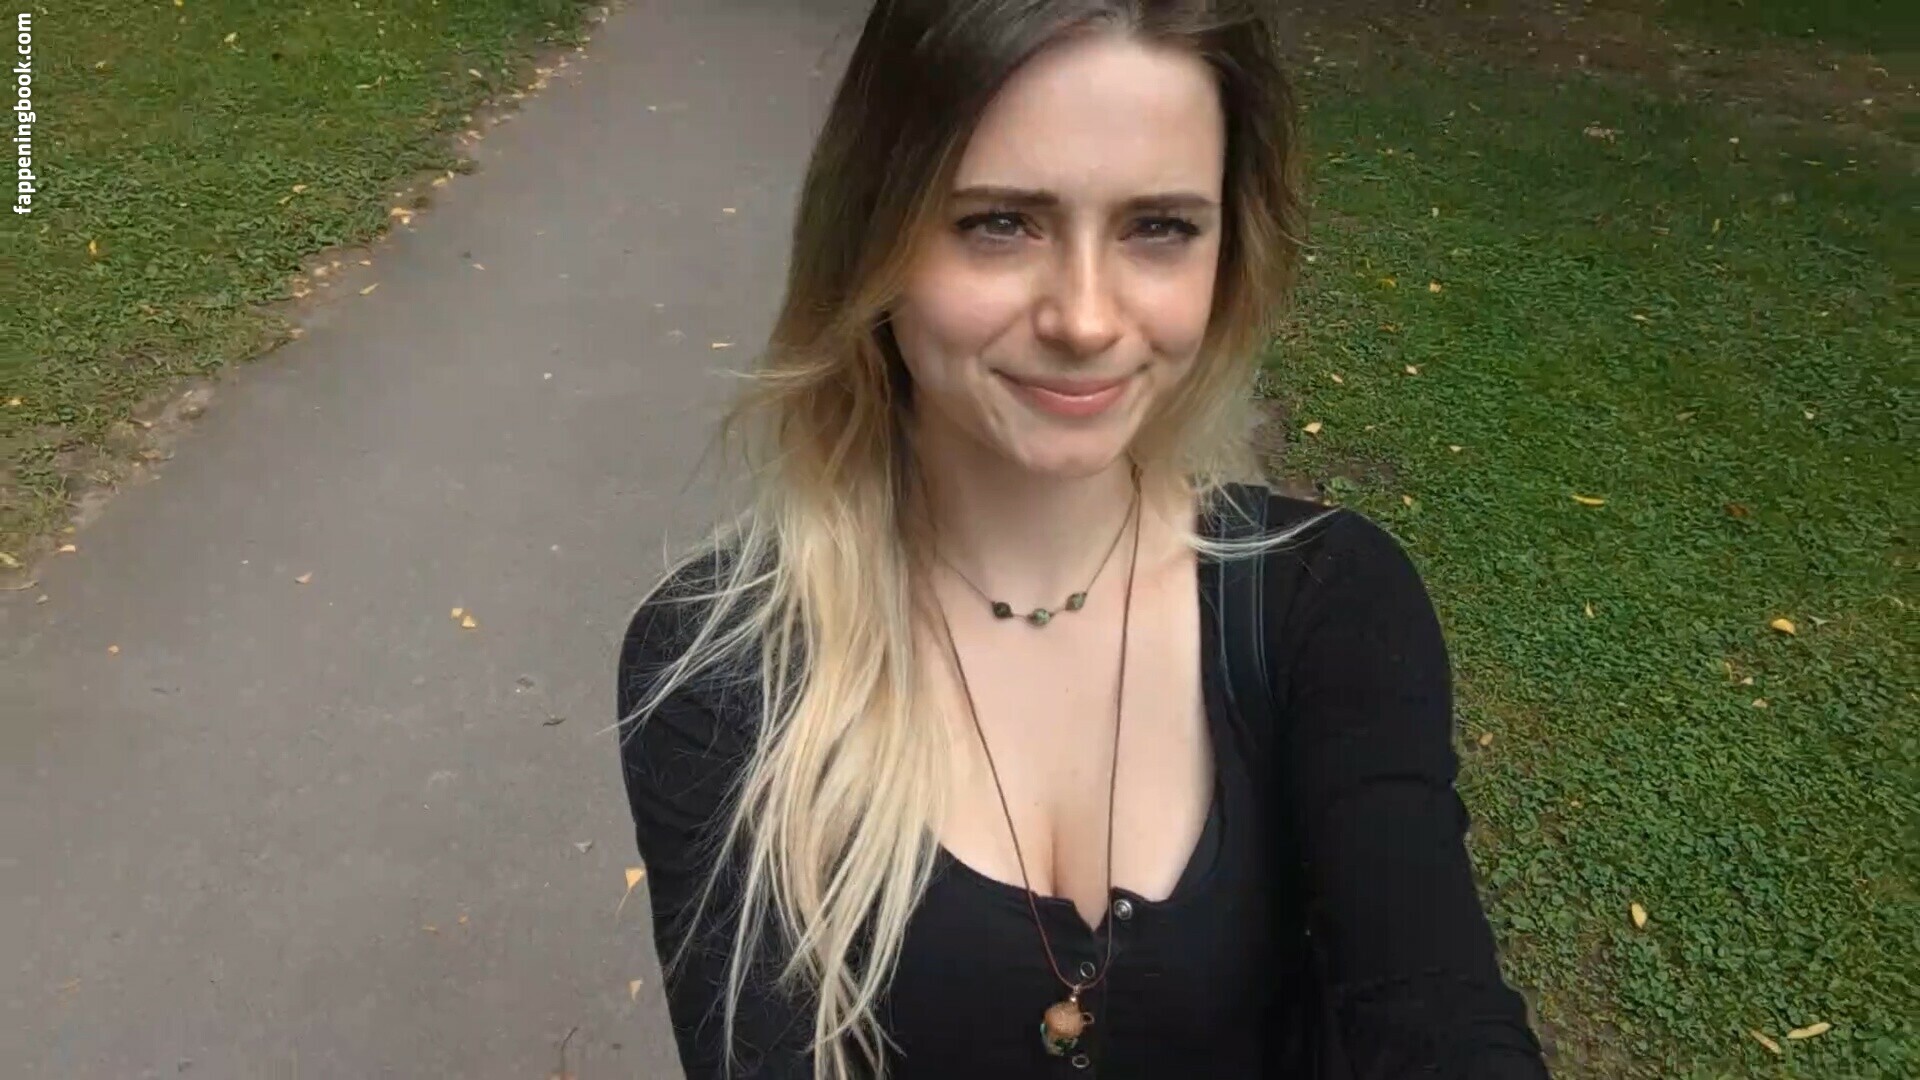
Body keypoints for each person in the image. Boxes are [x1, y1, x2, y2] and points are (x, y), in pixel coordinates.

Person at [616, 2, 1548, 1077]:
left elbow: (1436, 1011)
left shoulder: (1328, 600)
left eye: (1159, 227)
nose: (1087, 318)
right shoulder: (725, 672)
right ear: (873, 236)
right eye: (1000, 223)